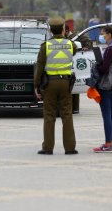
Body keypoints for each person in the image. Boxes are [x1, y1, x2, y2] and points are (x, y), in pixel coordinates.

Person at [34, 17, 78, 155]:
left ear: (50, 31)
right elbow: (74, 50)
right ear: (64, 29)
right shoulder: (71, 45)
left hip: (50, 84)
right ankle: (70, 148)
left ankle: (48, 147)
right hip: (65, 83)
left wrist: (36, 85)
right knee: (67, 115)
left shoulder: (45, 46)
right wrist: (65, 37)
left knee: (49, 116)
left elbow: (40, 67)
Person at [92, 26, 112, 153]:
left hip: (106, 85)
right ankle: (111, 142)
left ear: (109, 34)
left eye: (103, 34)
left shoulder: (111, 49)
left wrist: (96, 67)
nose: (102, 36)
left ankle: (108, 144)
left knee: (107, 116)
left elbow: (105, 69)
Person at [64, 24, 93, 114]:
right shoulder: (63, 38)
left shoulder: (77, 36)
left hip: (76, 63)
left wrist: (86, 47)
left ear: (66, 31)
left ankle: (75, 108)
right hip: (66, 63)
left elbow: (89, 42)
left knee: (74, 86)